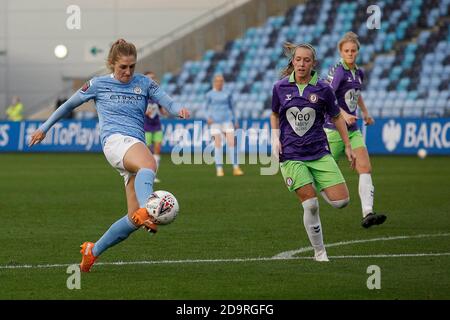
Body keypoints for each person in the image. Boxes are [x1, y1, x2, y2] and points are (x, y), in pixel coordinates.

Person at [28, 39, 190, 272]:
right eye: (122, 67)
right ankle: (149, 208)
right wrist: (44, 128)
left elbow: (168, 102)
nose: (128, 71)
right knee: (148, 164)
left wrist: (178, 111)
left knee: (133, 217)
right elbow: (67, 106)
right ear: (112, 64)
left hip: (133, 144)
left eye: (132, 66)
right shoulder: (97, 84)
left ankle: (92, 251)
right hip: (115, 142)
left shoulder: (144, 83)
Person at [271, 42, 355, 262]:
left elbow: (336, 117)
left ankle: (314, 180)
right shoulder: (280, 87)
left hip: (319, 152)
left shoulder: (323, 89)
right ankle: (320, 251)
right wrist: (274, 138)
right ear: (293, 61)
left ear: (313, 63)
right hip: (290, 155)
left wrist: (347, 145)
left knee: (341, 202)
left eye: (306, 60)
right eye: (298, 59)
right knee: (311, 204)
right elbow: (274, 113)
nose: (301, 63)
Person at [324, 32, 387, 229]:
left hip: (352, 129)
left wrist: (365, 112)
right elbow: (328, 96)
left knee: (365, 168)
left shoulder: (358, 72)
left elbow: (356, 94)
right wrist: (342, 113)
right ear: (340, 52)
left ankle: (368, 212)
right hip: (332, 129)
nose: (350, 53)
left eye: (353, 50)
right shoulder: (338, 71)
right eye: (346, 51)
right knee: (323, 170)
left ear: (357, 52)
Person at [205, 74, 244, 177]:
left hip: (227, 120)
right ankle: (219, 169)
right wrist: (208, 117)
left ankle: (236, 168)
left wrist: (235, 120)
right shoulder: (210, 94)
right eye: (217, 81)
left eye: (221, 81)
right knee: (218, 144)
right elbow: (206, 108)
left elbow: (232, 107)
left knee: (232, 143)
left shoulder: (227, 93)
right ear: (214, 82)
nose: (219, 83)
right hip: (215, 122)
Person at [143, 71, 169, 183]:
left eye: (153, 77)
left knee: (157, 150)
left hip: (156, 125)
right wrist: (145, 112)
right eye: (149, 78)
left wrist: (164, 110)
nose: (152, 79)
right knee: (147, 152)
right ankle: (146, 174)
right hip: (145, 127)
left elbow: (163, 111)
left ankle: (154, 175)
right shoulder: (142, 95)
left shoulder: (156, 95)